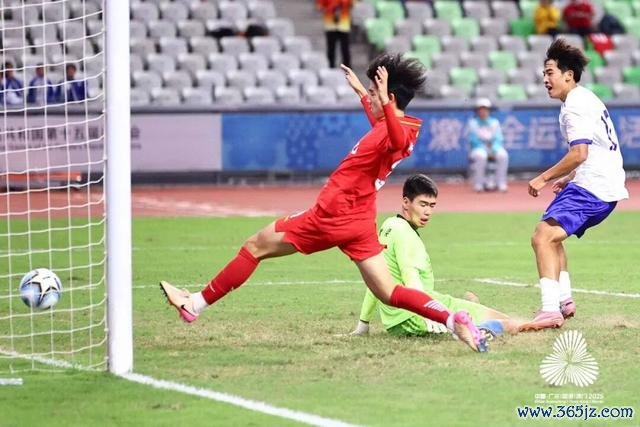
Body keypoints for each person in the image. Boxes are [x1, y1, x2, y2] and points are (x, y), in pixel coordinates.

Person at [161, 53, 488, 353]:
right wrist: (362, 92)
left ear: (389, 99)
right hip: (359, 220)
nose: (371, 98)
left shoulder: (396, 132)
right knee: (388, 291)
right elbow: (385, 125)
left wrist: (382, 101)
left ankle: (195, 304)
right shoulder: (398, 126)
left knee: (255, 247)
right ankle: (452, 320)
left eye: (375, 94)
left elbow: (393, 135)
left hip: (333, 214)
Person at [522, 38, 628, 331]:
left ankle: (549, 310)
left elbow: (579, 153)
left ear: (568, 74)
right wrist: (570, 177)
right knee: (552, 236)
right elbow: (598, 148)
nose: (545, 79)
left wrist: (544, 177)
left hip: (594, 187)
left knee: (542, 237)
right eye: (544, 74)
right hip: (597, 184)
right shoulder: (585, 98)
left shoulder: (575, 106)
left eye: (550, 73)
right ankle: (564, 300)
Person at [351, 174, 521, 340]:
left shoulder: (389, 225)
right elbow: (410, 275)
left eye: (432, 205)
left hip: (423, 305)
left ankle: (471, 309)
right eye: (423, 204)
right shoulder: (405, 234)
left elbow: (375, 279)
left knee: (500, 318)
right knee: (510, 325)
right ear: (406, 202)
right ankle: (476, 323)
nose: (428, 212)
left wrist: (363, 323)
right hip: (412, 318)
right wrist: (427, 315)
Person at [467, 98, 509, 193]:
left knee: (503, 155)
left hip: (494, 148)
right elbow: (473, 140)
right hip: (478, 149)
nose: (483, 111)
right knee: (481, 156)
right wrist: (485, 149)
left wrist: (493, 149)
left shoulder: (494, 122)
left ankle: (501, 183)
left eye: (485, 109)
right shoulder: (473, 123)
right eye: (481, 109)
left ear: (489, 110)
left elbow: (498, 138)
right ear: (477, 111)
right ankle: (479, 184)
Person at [317, 0, 352, 68]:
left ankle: (347, 67)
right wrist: (331, 7)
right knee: (331, 48)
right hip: (330, 25)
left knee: (345, 48)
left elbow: (351, 4)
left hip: (343, 24)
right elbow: (319, 6)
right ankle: (331, 67)